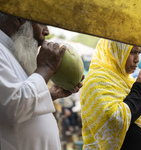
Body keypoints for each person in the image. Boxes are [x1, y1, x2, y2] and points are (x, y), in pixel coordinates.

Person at [0, 12, 84, 150]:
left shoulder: (12, 52)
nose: (46, 32)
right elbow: (12, 107)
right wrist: (46, 68)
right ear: (19, 18)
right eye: (42, 23)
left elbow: (16, 102)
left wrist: (49, 95)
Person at [80, 39, 141, 150]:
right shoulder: (97, 80)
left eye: (139, 53)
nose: (137, 59)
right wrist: (140, 90)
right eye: (132, 52)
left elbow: (132, 116)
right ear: (115, 50)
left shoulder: (128, 81)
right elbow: (114, 120)